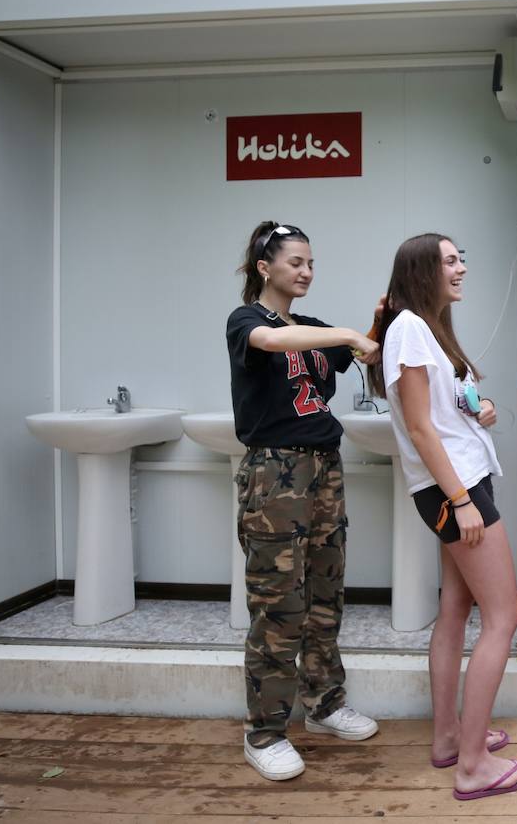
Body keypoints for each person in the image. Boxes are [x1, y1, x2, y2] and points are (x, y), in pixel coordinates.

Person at [370, 234, 517, 801]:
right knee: (504, 616)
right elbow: (419, 428)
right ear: (422, 272)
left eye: (461, 257)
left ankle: (448, 739)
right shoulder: (410, 329)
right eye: (450, 260)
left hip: (458, 481)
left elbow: (446, 411)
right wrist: (462, 501)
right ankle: (472, 766)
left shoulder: (425, 330)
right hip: (455, 490)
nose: (462, 268)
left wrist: (480, 410)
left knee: (456, 608)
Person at [226, 221, 381, 781]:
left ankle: (324, 705)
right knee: (278, 604)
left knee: (324, 594)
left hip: (324, 470)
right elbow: (272, 343)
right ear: (265, 268)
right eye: (296, 262)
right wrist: (344, 334)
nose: (306, 271)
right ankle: (264, 732)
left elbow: (365, 353)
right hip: (275, 474)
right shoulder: (248, 321)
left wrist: (379, 323)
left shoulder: (314, 327)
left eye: (311, 262)